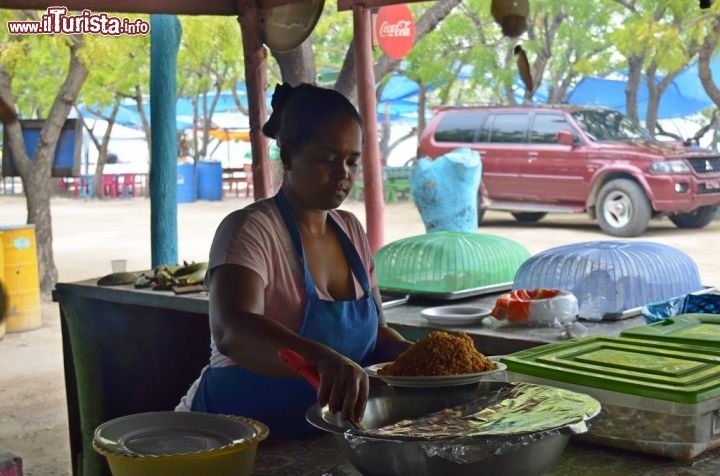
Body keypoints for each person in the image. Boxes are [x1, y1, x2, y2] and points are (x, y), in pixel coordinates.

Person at [177, 83, 413, 437]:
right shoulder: (251, 229)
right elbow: (232, 329)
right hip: (228, 437)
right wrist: (320, 357)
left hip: (319, 438)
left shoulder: (350, 229)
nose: (342, 174)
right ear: (287, 157)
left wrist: (424, 358)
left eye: (352, 161)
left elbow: (375, 334)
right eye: (327, 159)